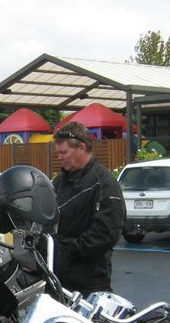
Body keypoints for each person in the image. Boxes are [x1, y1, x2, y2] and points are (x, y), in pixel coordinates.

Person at [52, 121, 125, 295]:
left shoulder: (105, 183)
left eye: (64, 152)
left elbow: (106, 233)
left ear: (82, 148)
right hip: (58, 278)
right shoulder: (58, 182)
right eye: (58, 153)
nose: (59, 157)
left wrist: (66, 251)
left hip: (90, 283)